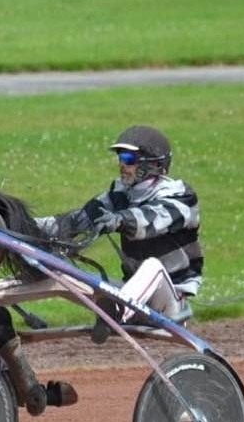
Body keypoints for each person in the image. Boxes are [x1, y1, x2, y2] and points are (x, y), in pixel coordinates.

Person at [35, 125, 203, 344]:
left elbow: (150, 220)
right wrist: (16, 221)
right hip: (133, 295)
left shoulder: (181, 196)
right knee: (66, 271)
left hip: (170, 302)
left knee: (152, 267)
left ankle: (115, 311)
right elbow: (72, 223)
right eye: (120, 158)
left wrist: (120, 220)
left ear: (151, 164)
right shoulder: (119, 193)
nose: (121, 165)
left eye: (128, 158)